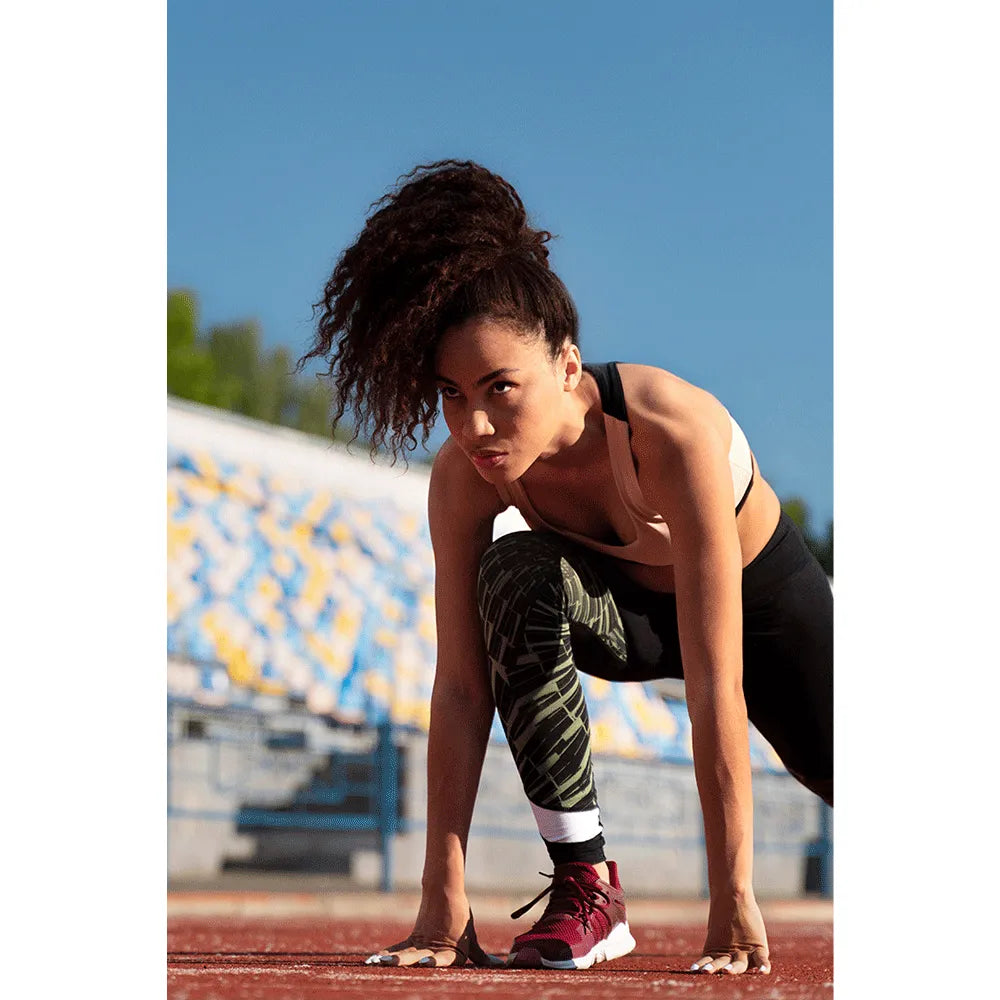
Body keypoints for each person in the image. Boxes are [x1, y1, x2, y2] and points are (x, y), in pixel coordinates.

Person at [300, 159, 833, 975]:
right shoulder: (463, 480)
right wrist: (442, 899)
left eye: (500, 388)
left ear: (567, 367)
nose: (474, 424)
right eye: (450, 393)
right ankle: (587, 889)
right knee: (514, 574)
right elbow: (460, 685)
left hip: (760, 610)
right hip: (621, 615)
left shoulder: (671, 433)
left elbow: (715, 686)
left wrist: (732, 896)